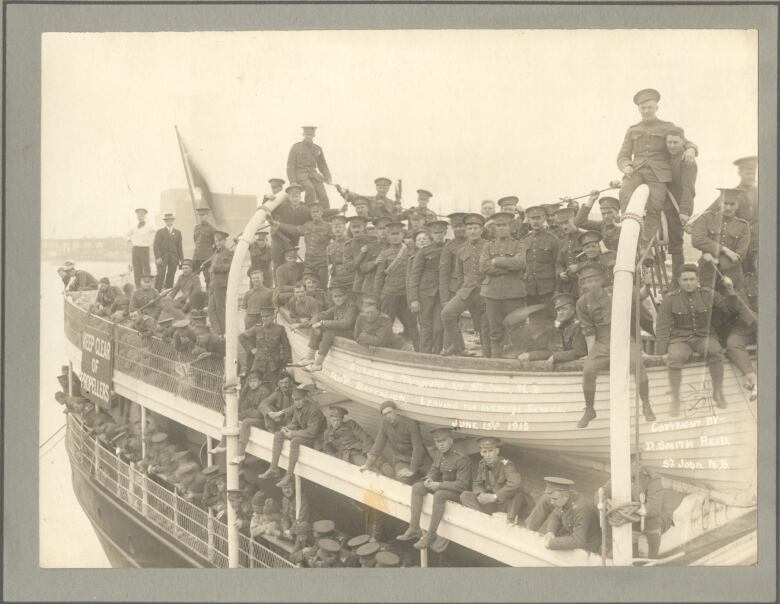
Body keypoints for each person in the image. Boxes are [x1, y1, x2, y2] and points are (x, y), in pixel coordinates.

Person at [655, 264, 748, 414]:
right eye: (685, 280)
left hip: (704, 336)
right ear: (678, 281)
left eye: (692, 279)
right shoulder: (670, 299)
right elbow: (662, 326)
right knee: (675, 357)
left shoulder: (708, 293)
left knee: (716, 351)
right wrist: (662, 352)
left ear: (697, 279)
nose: (689, 283)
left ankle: (718, 392)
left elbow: (729, 309)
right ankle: (676, 398)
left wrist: (730, 290)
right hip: (680, 339)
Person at [617, 88, 697, 253]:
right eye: (643, 108)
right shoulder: (632, 130)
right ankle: (629, 240)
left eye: (649, 107)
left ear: (656, 107)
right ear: (639, 109)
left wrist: (691, 150)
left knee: (655, 207)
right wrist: (626, 166)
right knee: (625, 195)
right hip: (636, 170)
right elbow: (623, 155)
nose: (646, 111)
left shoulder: (668, 127)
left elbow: (685, 141)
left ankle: (644, 248)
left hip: (659, 174)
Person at [575, 263, 655, 428]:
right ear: (582, 285)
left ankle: (646, 404)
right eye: (586, 282)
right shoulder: (582, 303)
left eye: (594, 280)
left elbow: (641, 295)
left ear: (601, 280)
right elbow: (589, 331)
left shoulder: (617, 290)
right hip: (603, 341)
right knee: (589, 370)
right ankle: (590, 409)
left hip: (624, 337)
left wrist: (647, 284)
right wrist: (592, 356)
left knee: (636, 364)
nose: (591, 284)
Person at [397, 427, 471, 552]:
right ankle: (414, 527)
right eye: (438, 442)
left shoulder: (461, 458)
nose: (441, 444)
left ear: (451, 440)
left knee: (440, 494)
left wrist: (439, 485)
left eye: (443, 440)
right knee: (418, 487)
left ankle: (431, 535)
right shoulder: (438, 454)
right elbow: (434, 470)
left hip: (457, 493)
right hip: (441, 485)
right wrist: (429, 479)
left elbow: (462, 485)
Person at [598, 454, 674, 559]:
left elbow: (654, 507)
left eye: (627, 466)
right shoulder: (622, 474)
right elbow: (603, 491)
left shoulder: (653, 479)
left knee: (651, 521)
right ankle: (629, 554)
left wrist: (629, 512)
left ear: (638, 465)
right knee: (614, 517)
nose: (624, 469)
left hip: (658, 517)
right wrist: (602, 501)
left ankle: (653, 556)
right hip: (635, 516)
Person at [479, 212, 527, 358]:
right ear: (494, 227)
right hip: (492, 293)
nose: (501, 228)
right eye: (498, 225)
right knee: (495, 331)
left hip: (514, 293)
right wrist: (507, 266)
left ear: (510, 226)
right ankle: (496, 361)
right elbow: (484, 267)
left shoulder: (519, 244)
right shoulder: (488, 246)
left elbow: (519, 263)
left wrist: (496, 261)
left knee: (517, 329)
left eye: (504, 225)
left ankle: (518, 362)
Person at [258, 385, 326, 487]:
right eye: (294, 400)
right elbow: (296, 423)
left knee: (295, 441)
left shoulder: (314, 411)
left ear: (305, 399)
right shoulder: (297, 407)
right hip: (305, 433)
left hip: (316, 439)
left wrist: (292, 433)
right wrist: (288, 428)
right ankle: (273, 468)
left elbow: (312, 432)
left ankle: (289, 475)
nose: (296, 402)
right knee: (278, 434)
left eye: (299, 400)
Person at [441, 213, 489, 356]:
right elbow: (459, 273)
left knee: (483, 326)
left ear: (481, 230)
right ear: (466, 230)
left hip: (485, 292)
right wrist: (463, 288)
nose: (472, 231)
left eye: (475, 228)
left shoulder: (489, 246)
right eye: (469, 228)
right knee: (447, 313)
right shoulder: (461, 249)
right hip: (466, 291)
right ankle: (458, 347)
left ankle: (488, 354)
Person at [691, 188, 750, 293]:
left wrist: (716, 261)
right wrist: (724, 249)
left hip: (732, 277)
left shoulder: (743, 226)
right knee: (708, 306)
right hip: (707, 274)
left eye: (732, 204)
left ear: (738, 205)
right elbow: (697, 240)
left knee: (732, 307)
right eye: (725, 203)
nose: (728, 207)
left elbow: (739, 256)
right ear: (719, 203)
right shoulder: (706, 218)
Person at [459, 437, 530, 522]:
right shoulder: (482, 464)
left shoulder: (506, 464)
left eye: (490, 451)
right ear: (481, 453)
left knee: (517, 493)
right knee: (465, 495)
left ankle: (507, 521)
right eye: (485, 452)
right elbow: (477, 483)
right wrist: (480, 494)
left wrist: (495, 496)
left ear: (497, 451)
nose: (488, 455)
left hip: (504, 503)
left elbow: (515, 483)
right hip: (490, 503)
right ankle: (483, 519)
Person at [373, 221, 419, 351]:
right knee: (386, 322)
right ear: (387, 236)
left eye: (397, 234)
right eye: (392, 234)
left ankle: (420, 350)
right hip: (390, 293)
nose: (395, 237)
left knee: (412, 323)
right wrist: (377, 296)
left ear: (402, 234)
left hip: (406, 293)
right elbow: (379, 277)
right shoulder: (385, 254)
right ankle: (383, 349)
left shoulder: (410, 251)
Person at [361, 400, 432, 483]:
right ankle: (416, 478)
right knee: (402, 479)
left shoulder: (410, 424)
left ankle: (417, 475)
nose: (388, 416)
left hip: (421, 460)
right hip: (401, 460)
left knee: (433, 477)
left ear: (396, 411)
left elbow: (418, 448)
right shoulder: (385, 424)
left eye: (389, 412)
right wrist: (367, 465)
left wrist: (412, 470)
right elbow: (378, 445)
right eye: (385, 414)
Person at [525, 477, 601, 553]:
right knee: (545, 499)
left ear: (565, 496)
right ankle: (528, 529)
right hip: (571, 532)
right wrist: (551, 532)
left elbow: (578, 540)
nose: (552, 502)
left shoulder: (581, 509)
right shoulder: (564, 498)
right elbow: (555, 515)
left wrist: (551, 543)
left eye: (554, 499)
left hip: (587, 544)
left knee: (548, 550)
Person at [209, 371, 271, 463]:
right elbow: (243, 407)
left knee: (246, 422)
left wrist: (247, 412)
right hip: (251, 416)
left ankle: (240, 454)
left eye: (254, 381)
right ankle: (223, 444)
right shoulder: (250, 391)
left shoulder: (264, 392)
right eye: (250, 381)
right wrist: (248, 412)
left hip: (263, 420)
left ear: (260, 382)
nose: (252, 384)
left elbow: (260, 413)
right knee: (230, 416)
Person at [272, 200, 333, 288]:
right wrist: (277, 224)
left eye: (317, 212)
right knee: (306, 286)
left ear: (322, 212)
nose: (315, 214)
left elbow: (338, 240)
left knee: (321, 287)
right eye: (312, 212)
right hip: (308, 263)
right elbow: (293, 229)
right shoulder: (307, 226)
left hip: (322, 263)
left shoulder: (328, 227)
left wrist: (331, 253)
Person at [408, 220, 448, 353]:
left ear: (445, 233)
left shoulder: (449, 249)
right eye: (435, 233)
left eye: (440, 233)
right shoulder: (423, 252)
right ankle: (425, 354)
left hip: (442, 294)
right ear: (431, 234)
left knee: (439, 326)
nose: (438, 236)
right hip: (424, 294)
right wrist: (413, 299)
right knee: (426, 327)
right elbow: (414, 277)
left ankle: (436, 353)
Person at [520, 292, 587, 370]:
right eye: (558, 310)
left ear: (573, 310)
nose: (561, 313)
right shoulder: (561, 327)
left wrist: (556, 357)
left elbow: (579, 352)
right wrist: (530, 355)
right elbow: (553, 351)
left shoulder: (577, 326)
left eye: (564, 309)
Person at [664, 127, 698, 281]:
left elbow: (688, 188)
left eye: (675, 142)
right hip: (660, 203)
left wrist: (684, 210)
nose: (671, 145)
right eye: (669, 142)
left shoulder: (687, 160)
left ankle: (677, 281)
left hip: (675, 207)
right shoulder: (665, 154)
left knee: (676, 244)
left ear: (683, 142)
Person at [302, 286, 358, 371]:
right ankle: (310, 357)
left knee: (328, 331)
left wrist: (323, 323)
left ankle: (318, 364)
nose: (338, 299)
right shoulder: (336, 308)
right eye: (335, 297)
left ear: (345, 296)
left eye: (340, 296)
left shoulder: (352, 307)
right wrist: (315, 323)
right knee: (319, 327)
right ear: (332, 298)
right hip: (340, 332)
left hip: (351, 334)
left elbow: (345, 324)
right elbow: (319, 315)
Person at [238, 306, 291, 383]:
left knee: (273, 386)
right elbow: (241, 337)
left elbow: (286, 346)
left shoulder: (280, 329)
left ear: (273, 316)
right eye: (263, 317)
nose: (264, 319)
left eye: (267, 316)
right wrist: (252, 349)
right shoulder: (257, 328)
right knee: (252, 385)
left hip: (274, 365)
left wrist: (284, 362)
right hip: (258, 364)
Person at [725, 271, 758, 394]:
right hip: (747, 324)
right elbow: (740, 304)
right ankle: (752, 378)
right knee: (733, 343)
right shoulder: (743, 279)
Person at [522, 205, 559, 310]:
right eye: (532, 219)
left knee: (548, 320)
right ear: (528, 220)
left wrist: (557, 289)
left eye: (538, 218)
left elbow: (558, 264)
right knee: (534, 320)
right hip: (530, 289)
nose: (535, 222)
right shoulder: (525, 240)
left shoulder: (553, 239)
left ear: (544, 218)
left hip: (548, 289)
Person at [287, 126, 332, 208]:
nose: (308, 137)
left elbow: (322, 164)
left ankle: (326, 215)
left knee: (323, 195)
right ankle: (308, 211)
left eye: (310, 135)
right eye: (307, 135)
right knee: (310, 189)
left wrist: (328, 176)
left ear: (314, 135)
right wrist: (292, 181)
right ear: (303, 135)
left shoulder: (317, 149)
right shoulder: (296, 147)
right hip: (301, 175)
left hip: (314, 176)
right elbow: (290, 166)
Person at [270, 183, 310, 268]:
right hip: (278, 240)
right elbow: (269, 212)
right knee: (277, 264)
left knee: (291, 265)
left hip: (292, 242)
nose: (294, 198)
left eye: (297, 195)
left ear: (300, 197)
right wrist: (266, 199)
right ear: (289, 197)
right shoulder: (282, 207)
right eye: (292, 196)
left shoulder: (305, 211)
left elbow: (317, 216)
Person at [207, 230, 233, 335]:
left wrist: (215, 268)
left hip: (221, 285)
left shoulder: (229, 253)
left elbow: (230, 267)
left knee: (220, 310)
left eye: (220, 241)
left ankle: (225, 333)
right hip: (213, 285)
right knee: (210, 310)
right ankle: (218, 333)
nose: (218, 243)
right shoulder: (215, 253)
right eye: (216, 241)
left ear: (225, 241)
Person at [554, 206, 583, 295]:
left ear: (573, 219)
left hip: (584, 283)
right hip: (568, 287)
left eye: (566, 222)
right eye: (561, 224)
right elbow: (559, 263)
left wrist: (578, 267)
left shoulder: (584, 237)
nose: (564, 227)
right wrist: (560, 273)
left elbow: (595, 260)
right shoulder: (562, 241)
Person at [153, 213, 184, 290]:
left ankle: (168, 291)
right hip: (162, 257)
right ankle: (158, 291)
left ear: (173, 221)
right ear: (165, 221)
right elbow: (155, 245)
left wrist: (182, 259)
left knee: (171, 274)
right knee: (160, 274)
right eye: (167, 220)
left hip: (174, 257)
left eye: (171, 220)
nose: (169, 222)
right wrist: (158, 257)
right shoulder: (160, 232)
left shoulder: (178, 232)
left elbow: (179, 247)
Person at [127, 207, 155, 286]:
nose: (140, 216)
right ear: (137, 216)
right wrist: (130, 239)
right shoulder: (133, 226)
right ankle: (138, 287)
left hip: (144, 249)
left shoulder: (149, 226)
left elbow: (157, 230)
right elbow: (126, 235)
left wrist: (151, 240)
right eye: (139, 215)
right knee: (136, 269)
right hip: (135, 249)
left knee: (146, 268)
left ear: (145, 216)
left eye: (142, 214)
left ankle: (148, 286)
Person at [326, 214, 353, 291]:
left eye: (339, 227)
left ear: (345, 228)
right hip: (336, 279)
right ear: (332, 229)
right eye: (335, 227)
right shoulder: (330, 246)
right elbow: (329, 264)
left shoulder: (351, 242)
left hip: (350, 278)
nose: (337, 229)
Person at [192, 207, 216, 287]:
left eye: (203, 215)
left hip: (207, 258)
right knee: (193, 278)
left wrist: (211, 255)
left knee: (208, 279)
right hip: (196, 257)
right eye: (200, 215)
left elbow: (215, 244)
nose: (201, 217)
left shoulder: (212, 229)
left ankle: (208, 297)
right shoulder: (196, 228)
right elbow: (196, 241)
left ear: (207, 216)